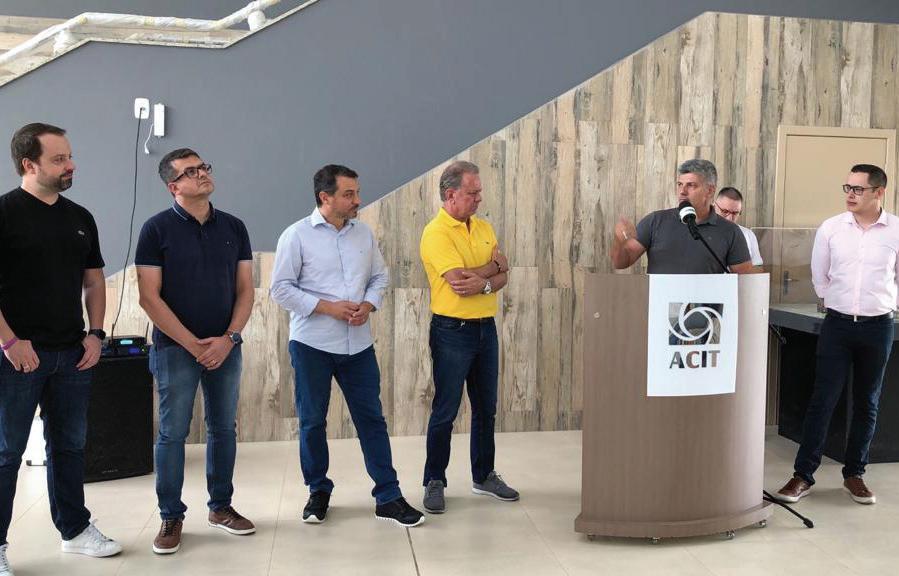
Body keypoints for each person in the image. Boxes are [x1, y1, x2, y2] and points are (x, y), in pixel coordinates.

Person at [270, 164, 424, 528]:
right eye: (348, 194)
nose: (357, 200)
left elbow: (380, 276)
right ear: (325, 197)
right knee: (312, 421)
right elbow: (281, 289)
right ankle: (318, 491)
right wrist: (329, 308)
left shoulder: (363, 234)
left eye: (356, 193)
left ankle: (388, 496)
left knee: (372, 419)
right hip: (312, 345)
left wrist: (368, 305)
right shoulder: (296, 236)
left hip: (358, 346)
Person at [0, 123, 121, 575]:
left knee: (70, 447)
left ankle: (75, 530)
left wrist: (96, 334)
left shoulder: (80, 217)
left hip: (72, 353)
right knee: (6, 453)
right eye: (58, 159)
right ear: (29, 164)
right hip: (16, 356)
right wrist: (10, 341)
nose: (71, 165)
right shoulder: (5, 213)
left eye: (69, 156)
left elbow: (93, 281)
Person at [136, 148, 256, 554]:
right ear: (174, 186)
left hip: (226, 347)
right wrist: (193, 345)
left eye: (204, 166)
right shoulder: (156, 230)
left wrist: (229, 339)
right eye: (191, 171)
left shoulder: (234, 226)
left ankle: (221, 507)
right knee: (172, 433)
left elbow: (246, 289)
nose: (202, 173)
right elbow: (149, 298)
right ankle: (171, 515)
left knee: (224, 428)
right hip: (175, 349)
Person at [774, 164, 898, 506]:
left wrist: (884, 303)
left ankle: (854, 474)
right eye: (848, 187)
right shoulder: (831, 228)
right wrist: (836, 302)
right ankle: (802, 475)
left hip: (878, 326)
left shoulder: (896, 231)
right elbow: (820, 276)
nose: (850, 194)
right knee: (823, 400)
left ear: (879, 192)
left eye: (858, 189)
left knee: (867, 401)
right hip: (837, 326)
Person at [419, 160, 518, 514]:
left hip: (485, 329)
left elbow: (504, 277)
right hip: (452, 331)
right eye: (472, 193)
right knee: (446, 409)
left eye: (479, 192)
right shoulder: (436, 233)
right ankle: (434, 480)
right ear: (451, 195)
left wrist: (488, 281)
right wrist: (493, 268)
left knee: (486, 408)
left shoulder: (484, 227)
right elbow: (459, 282)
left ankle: (484, 475)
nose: (479, 198)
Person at [611, 159, 753, 274]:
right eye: (680, 184)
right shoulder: (655, 221)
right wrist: (619, 240)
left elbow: (745, 281)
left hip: (706, 302)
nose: (682, 191)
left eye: (691, 185)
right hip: (661, 301)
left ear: (710, 190)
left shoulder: (731, 231)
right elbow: (621, 263)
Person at [714, 187, 763, 266]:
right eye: (725, 211)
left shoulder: (748, 234)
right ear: (714, 207)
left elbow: (758, 266)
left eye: (735, 213)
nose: (729, 218)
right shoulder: (701, 232)